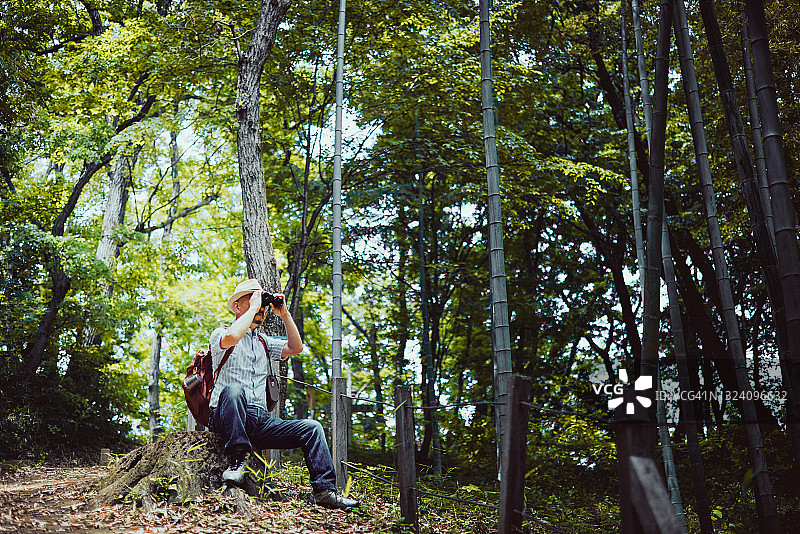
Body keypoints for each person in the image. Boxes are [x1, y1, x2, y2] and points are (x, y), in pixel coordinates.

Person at [208, 278, 358, 510]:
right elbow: (231, 338)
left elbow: (296, 348)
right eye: (253, 301)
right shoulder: (222, 332)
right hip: (227, 416)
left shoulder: (264, 342)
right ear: (236, 306)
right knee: (234, 389)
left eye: (263, 305)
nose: (261, 308)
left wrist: (285, 314)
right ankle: (237, 460)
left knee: (312, 428)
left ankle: (324, 491)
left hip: (259, 421)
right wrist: (254, 306)